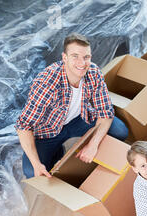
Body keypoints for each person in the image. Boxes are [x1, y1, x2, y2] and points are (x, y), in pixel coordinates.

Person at [16, 33, 129, 179]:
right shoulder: (46, 83)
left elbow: (106, 112)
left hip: (79, 119)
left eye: (86, 57)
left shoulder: (93, 72)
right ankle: (57, 151)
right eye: (75, 56)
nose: (82, 63)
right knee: (33, 173)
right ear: (64, 57)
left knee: (121, 131)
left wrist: (93, 145)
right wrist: (37, 164)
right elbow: (23, 126)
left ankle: (79, 146)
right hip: (47, 131)